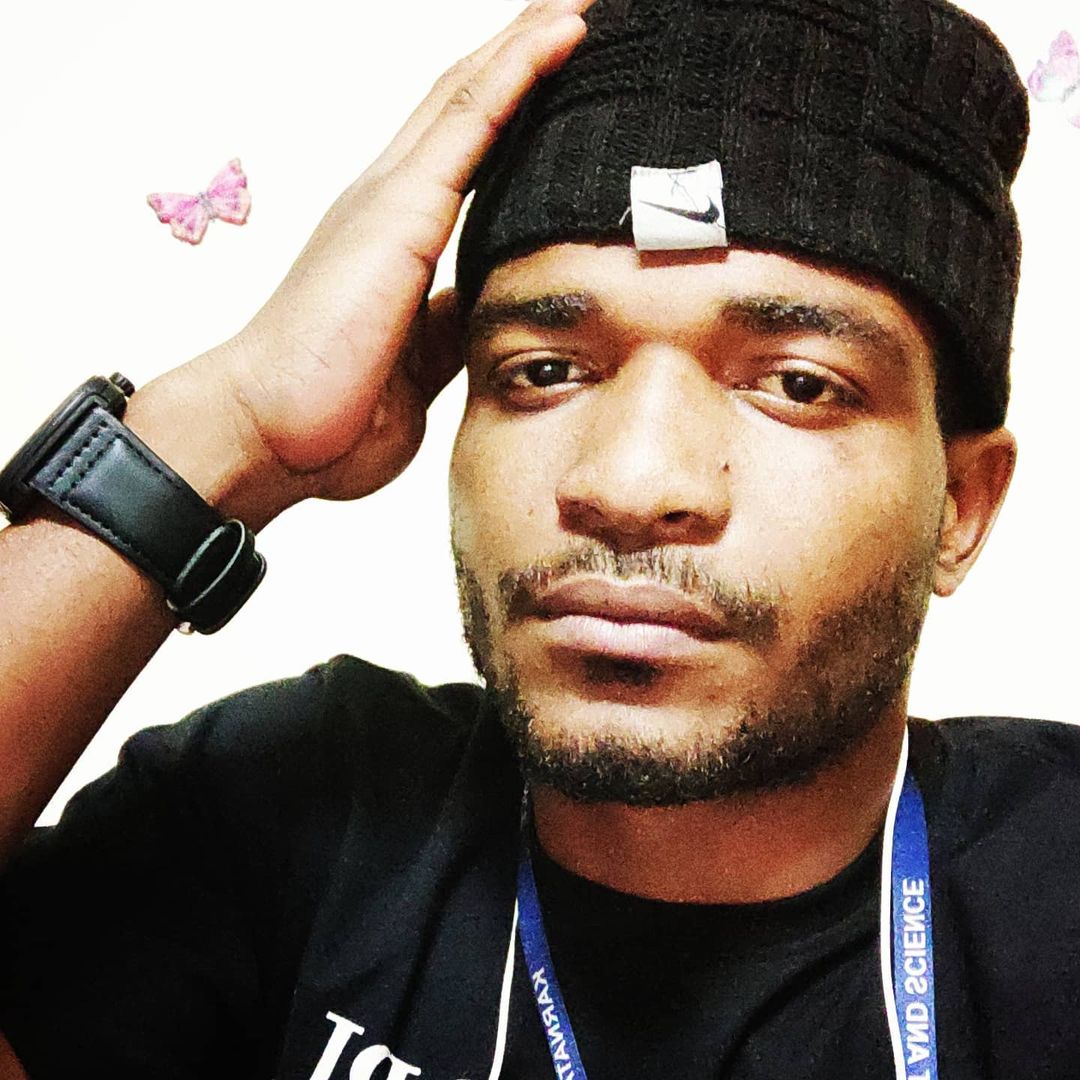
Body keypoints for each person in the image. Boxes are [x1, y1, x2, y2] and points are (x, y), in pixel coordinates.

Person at [0, 0, 1071, 1077]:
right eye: (544, 370)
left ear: (961, 507)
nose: (628, 483)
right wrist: (225, 433)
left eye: (798, 385)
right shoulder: (289, 810)